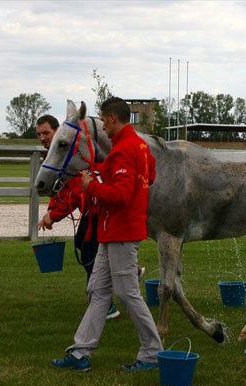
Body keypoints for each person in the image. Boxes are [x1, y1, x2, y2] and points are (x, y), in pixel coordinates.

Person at [52, 97, 163, 372]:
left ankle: (152, 353)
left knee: (126, 295)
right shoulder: (138, 145)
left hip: (121, 231)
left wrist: (92, 186)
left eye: (103, 120)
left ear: (112, 118)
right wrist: (104, 175)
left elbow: (122, 195)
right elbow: (150, 174)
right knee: (98, 291)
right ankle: (80, 353)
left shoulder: (125, 148)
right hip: (112, 230)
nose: (102, 125)